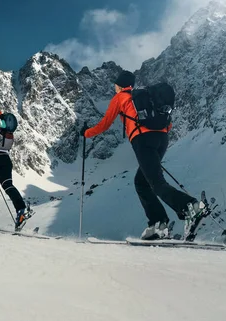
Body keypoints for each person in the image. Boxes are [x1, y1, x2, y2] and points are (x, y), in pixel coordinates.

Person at [80, 70, 208, 240]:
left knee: (156, 183)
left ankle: (190, 206)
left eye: (115, 85)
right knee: (141, 182)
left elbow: (105, 124)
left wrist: (86, 133)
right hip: (162, 139)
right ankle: (158, 224)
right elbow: (166, 124)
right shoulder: (144, 99)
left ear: (119, 85)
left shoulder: (120, 98)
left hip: (143, 140)